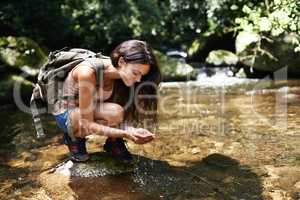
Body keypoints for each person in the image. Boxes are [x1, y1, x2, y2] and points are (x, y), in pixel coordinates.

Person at [53, 40, 161, 163]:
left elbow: (121, 114)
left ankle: (112, 143)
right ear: (121, 62)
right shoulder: (87, 73)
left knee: (117, 112)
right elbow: (87, 123)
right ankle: (73, 138)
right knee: (81, 117)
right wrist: (125, 134)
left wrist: (132, 130)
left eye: (141, 75)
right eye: (135, 73)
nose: (138, 79)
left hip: (93, 110)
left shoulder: (122, 77)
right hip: (69, 114)